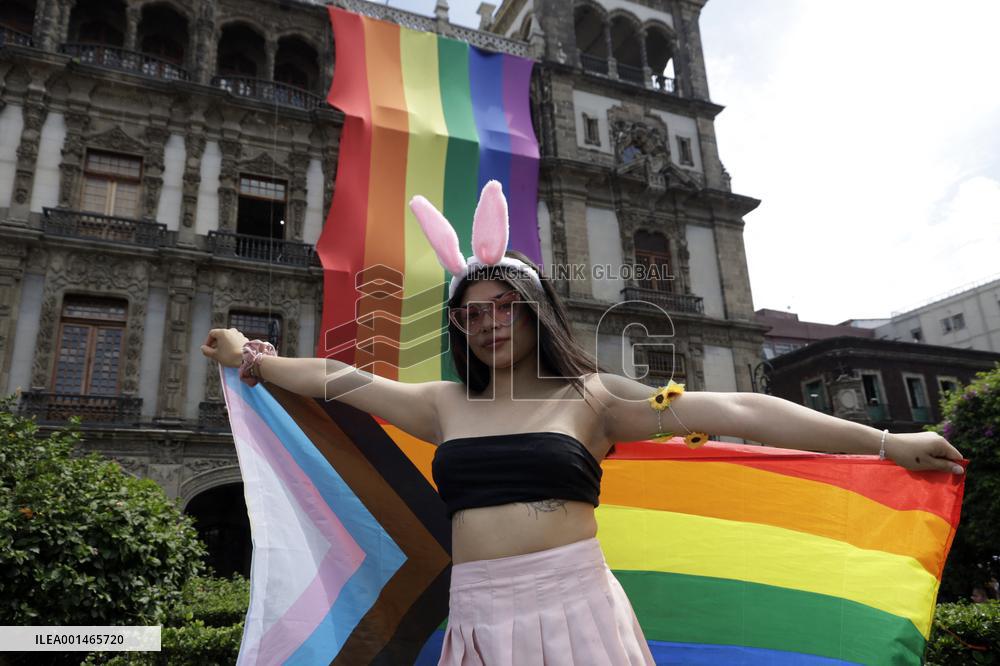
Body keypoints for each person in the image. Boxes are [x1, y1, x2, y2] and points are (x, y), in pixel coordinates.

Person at [201, 181, 965, 665]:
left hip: (578, 614)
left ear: (536, 313)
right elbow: (343, 380)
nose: (489, 324)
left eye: (505, 308)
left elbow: (733, 408)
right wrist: (252, 358)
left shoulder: (596, 398)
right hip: (478, 621)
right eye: (471, 315)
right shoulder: (441, 405)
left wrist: (887, 440)